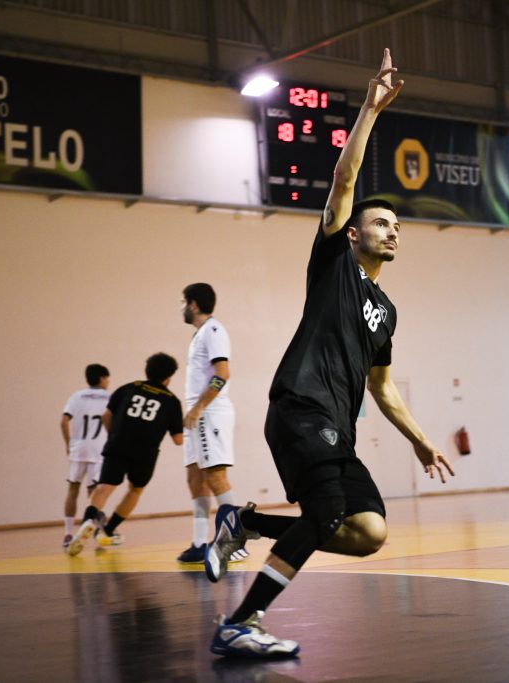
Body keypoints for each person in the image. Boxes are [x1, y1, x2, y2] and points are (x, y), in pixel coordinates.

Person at [204, 49, 456, 658]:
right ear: (353, 233)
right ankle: (240, 623)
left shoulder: (386, 311)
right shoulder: (334, 263)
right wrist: (369, 110)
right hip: (298, 407)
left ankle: (247, 525)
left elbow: (383, 388)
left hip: (335, 430)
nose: (392, 230)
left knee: (366, 531)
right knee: (325, 515)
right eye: (381, 222)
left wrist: (419, 439)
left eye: (398, 226)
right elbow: (344, 180)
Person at [68, 353, 184, 555]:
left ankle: (89, 519)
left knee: (104, 487)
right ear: (169, 377)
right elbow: (178, 440)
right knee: (135, 489)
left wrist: (114, 435)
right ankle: (109, 530)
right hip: (146, 452)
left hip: (118, 445)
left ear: (147, 371)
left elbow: (106, 417)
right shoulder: (171, 401)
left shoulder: (128, 388)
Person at [176, 283, 247, 564]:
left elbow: (222, 373)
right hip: (197, 414)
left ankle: (235, 541)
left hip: (210, 412)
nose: (181, 307)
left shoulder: (214, 330)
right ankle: (198, 543)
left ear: (193, 304)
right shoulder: (199, 335)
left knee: (215, 477)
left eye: (182, 302)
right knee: (195, 478)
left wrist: (199, 407)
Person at [60, 364, 111, 549]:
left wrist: (68, 444)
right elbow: (111, 421)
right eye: (107, 379)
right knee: (95, 493)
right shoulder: (109, 397)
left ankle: (67, 533)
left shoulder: (76, 396)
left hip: (78, 449)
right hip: (98, 450)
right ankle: (97, 531)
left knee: (73, 490)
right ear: (102, 379)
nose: (108, 382)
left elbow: (64, 421)